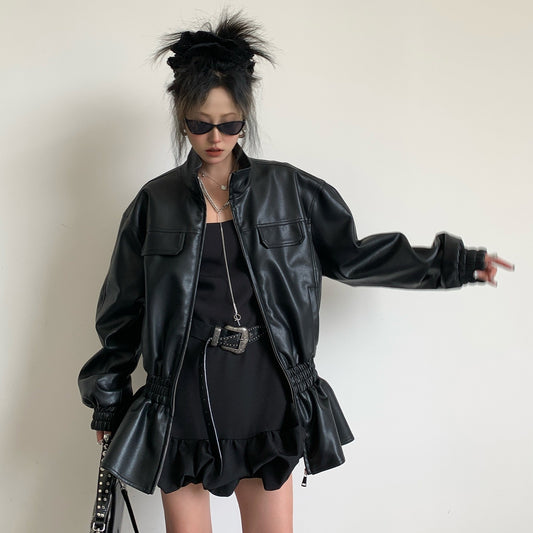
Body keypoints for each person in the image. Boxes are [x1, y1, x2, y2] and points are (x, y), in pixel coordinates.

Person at [78, 11, 513, 533]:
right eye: (199, 124)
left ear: (245, 117)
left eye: (229, 123)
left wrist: (451, 264)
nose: (215, 137)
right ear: (180, 117)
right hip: (183, 396)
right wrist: (108, 403)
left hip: (268, 389)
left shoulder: (289, 190)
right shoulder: (155, 202)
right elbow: (122, 311)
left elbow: (354, 256)